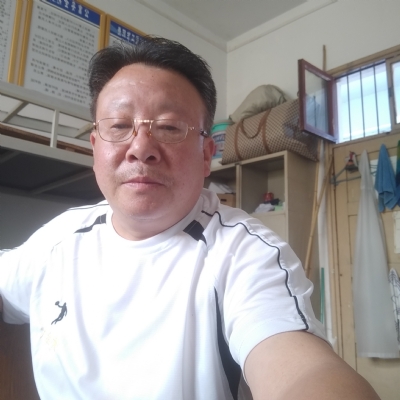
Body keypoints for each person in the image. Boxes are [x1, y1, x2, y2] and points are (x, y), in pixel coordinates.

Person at [0, 36, 380, 400]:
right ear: (96, 148)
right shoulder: (58, 240)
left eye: (169, 127)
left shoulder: (243, 253)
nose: (140, 148)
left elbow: (305, 374)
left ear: (206, 155)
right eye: (119, 126)